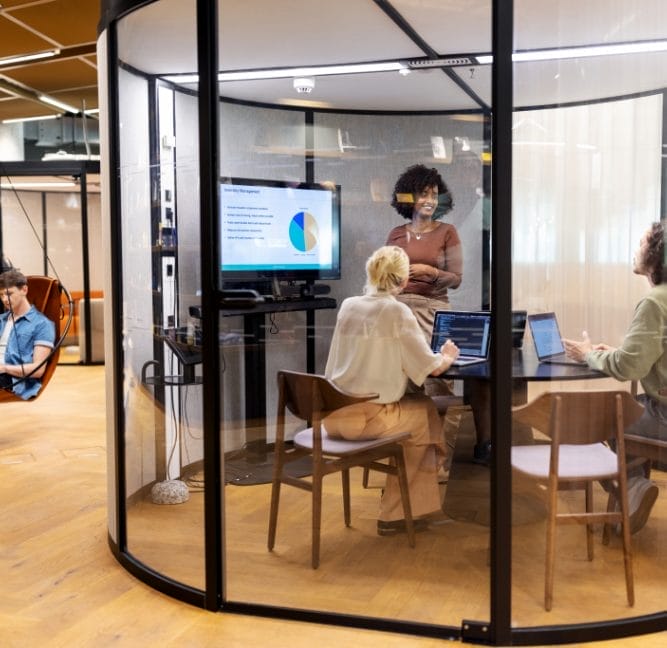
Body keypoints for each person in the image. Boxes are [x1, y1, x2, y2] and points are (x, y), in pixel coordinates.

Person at [324, 245, 460, 536]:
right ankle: (397, 513)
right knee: (425, 414)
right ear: (402, 281)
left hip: (332, 415)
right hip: (368, 420)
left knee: (421, 411)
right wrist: (448, 355)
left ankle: (411, 507)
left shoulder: (349, 305)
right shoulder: (397, 312)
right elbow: (431, 368)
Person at [563, 221, 667, 534]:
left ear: (655, 255)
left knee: (603, 417)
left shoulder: (655, 301)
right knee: (630, 408)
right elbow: (647, 357)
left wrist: (588, 354)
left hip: (663, 414)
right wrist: (618, 353)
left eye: (641, 243)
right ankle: (633, 489)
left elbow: (628, 369)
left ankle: (633, 487)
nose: (636, 249)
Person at [385, 164, 463, 339]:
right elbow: (385, 278)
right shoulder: (396, 234)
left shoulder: (447, 232)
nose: (430, 200)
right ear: (410, 198)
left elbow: (456, 280)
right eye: (424, 194)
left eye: (434, 196)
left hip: (433, 311)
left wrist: (430, 272)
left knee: (434, 364)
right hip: (399, 309)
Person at [0, 269, 55, 399]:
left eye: (9, 293)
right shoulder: (1, 319)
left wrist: (4, 368)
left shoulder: (42, 324)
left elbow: (38, 370)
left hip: (12, 380)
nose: (4, 299)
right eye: (1, 294)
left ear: (24, 290)